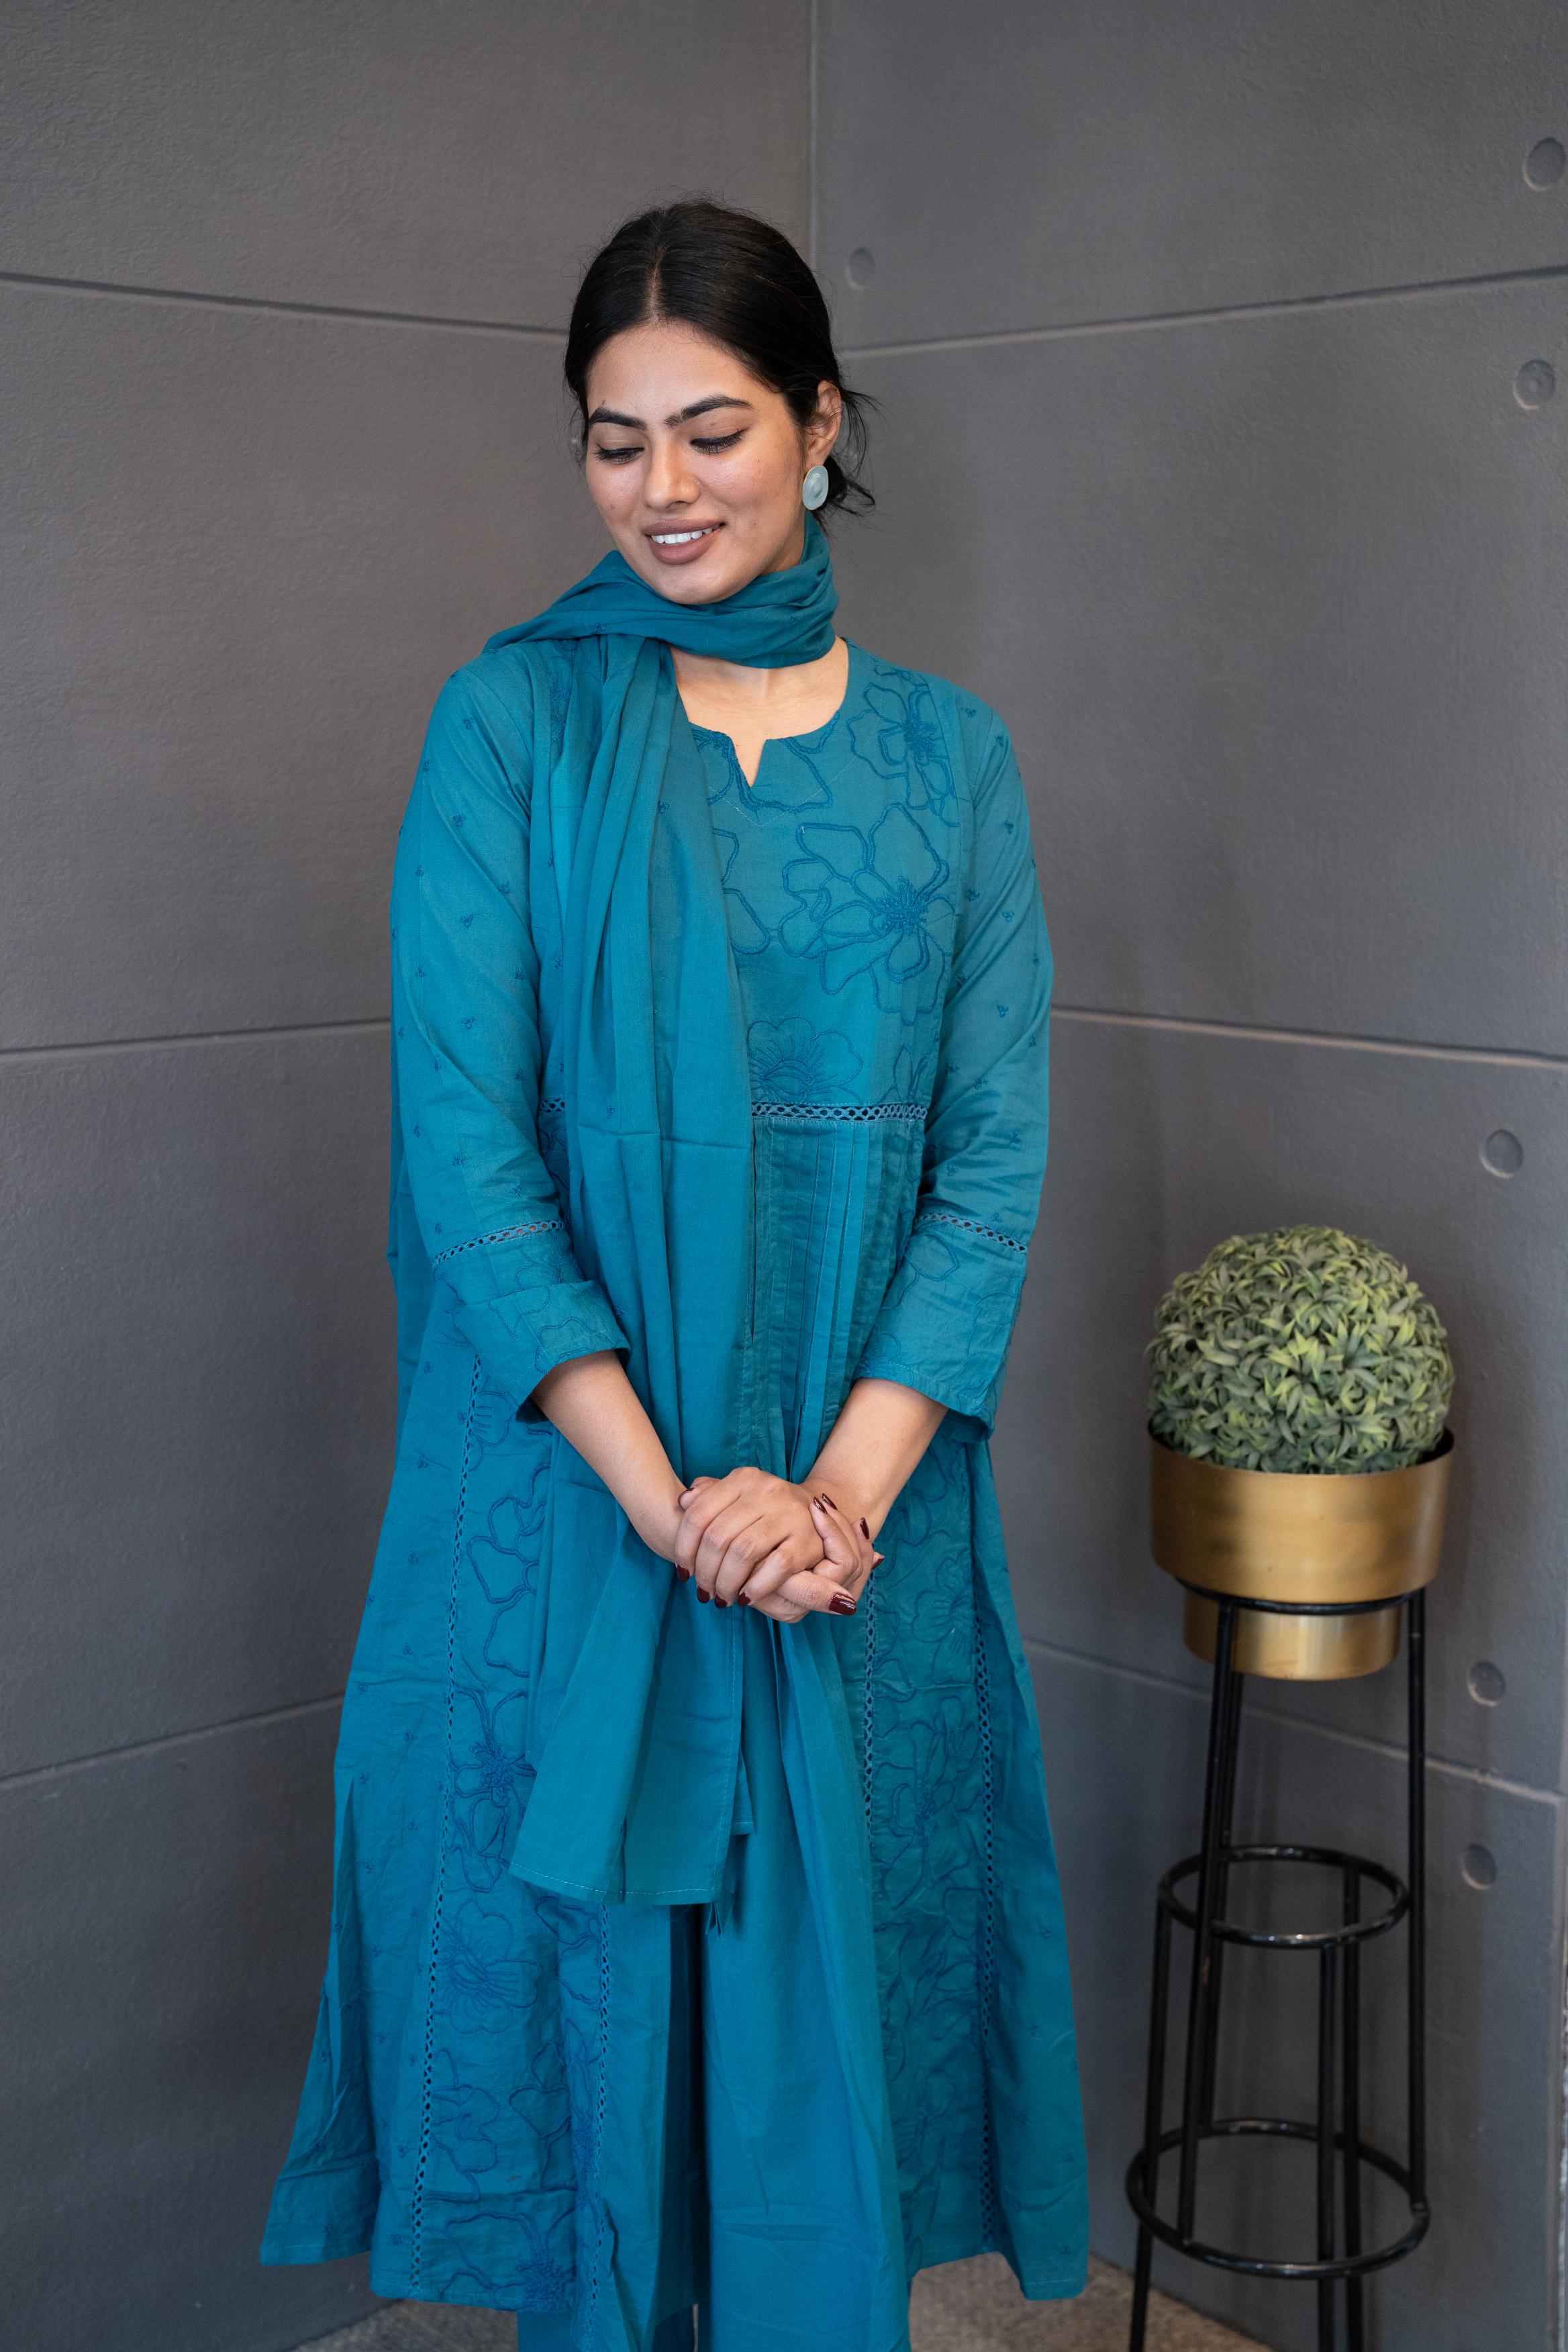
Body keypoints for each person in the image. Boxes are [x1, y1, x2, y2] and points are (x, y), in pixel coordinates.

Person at [262, 199, 1087, 2351]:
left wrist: (832, 1502)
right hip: (576, 1528)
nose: (662, 488)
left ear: (820, 427)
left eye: (710, 429)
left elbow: (992, 1162)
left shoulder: (950, 761)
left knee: (834, 2081)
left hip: (855, 1545)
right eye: (611, 442)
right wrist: (681, 1514)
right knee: (597, 2086)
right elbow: (473, 1151)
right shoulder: (511, 732)